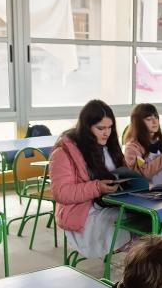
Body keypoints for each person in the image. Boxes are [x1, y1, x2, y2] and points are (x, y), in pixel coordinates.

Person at [49, 99, 131, 258]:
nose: (106, 133)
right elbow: (61, 193)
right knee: (134, 224)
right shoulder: (63, 152)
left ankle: (142, 262)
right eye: (100, 128)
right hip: (83, 216)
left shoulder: (110, 146)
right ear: (87, 127)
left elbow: (124, 173)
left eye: (110, 127)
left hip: (111, 205)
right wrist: (97, 187)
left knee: (145, 220)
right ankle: (139, 264)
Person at [123, 103, 162, 186]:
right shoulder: (132, 148)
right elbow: (143, 174)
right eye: (149, 119)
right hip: (147, 191)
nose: (154, 122)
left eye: (156, 117)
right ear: (138, 123)